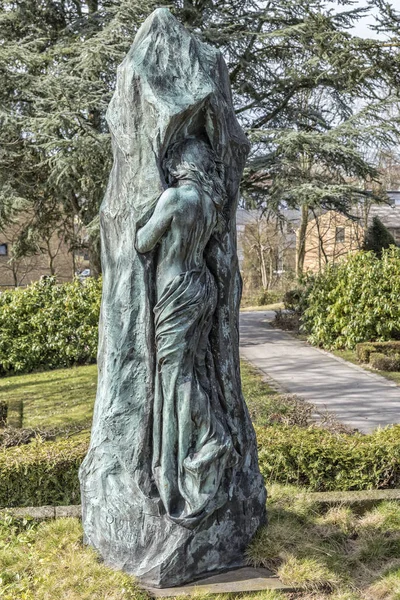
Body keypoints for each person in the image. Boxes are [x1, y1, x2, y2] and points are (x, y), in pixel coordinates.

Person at [135, 137, 237, 527]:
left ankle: (211, 439)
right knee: (188, 371)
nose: (171, 167)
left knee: (177, 379)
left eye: (174, 162)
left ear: (183, 165)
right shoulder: (211, 204)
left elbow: (143, 242)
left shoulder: (175, 198)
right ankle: (185, 455)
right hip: (202, 286)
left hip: (177, 291)